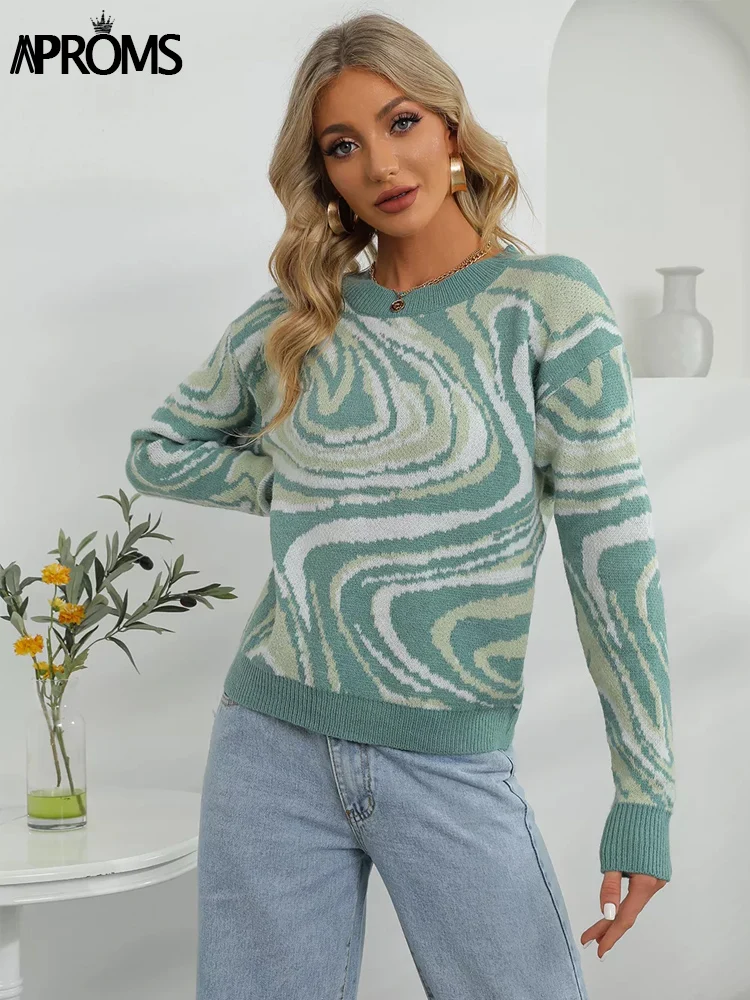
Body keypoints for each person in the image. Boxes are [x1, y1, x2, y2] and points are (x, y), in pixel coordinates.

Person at [124, 13, 675, 1000]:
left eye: (402, 121)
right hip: (270, 745)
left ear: (452, 127)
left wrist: (645, 797)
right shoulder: (298, 322)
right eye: (343, 145)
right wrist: (292, 481)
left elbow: (612, 555)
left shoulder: (548, 305)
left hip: (452, 755)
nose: (380, 163)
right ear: (323, 174)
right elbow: (158, 451)